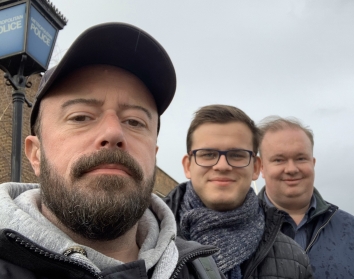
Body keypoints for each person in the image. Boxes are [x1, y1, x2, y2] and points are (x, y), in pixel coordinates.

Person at [0, 23, 224, 279]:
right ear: (36, 153)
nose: (113, 133)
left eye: (134, 121)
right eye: (81, 117)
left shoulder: (202, 269)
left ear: (153, 154)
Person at [164, 104, 314, 279]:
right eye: (207, 154)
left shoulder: (295, 260)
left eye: (237, 155)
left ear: (256, 167)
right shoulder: (143, 240)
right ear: (188, 166)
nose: (222, 166)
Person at [257, 116, 354, 279]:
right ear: (261, 167)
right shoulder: (239, 230)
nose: (291, 168)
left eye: (300, 158)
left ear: (313, 163)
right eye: (279, 160)